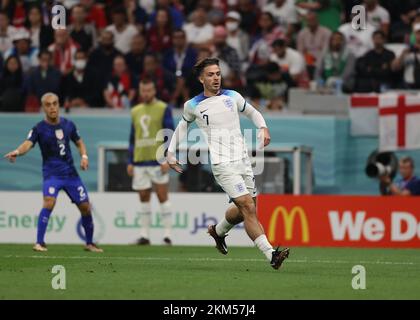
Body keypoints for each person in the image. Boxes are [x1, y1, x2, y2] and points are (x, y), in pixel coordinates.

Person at [166, 58, 290, 270]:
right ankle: (271, 254)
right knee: (247, 206)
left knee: (245, 210)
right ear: (201, 79)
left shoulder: (233, 96)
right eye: (211, 75)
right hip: (222, 164)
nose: (216, 78)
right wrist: (170, 151)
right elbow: (182, 127)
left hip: (242, 160)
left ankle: (218, 231)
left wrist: (263, 127)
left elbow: (252, 112)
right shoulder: (193, 104)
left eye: (218, 73)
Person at [3, 92, 103, 252]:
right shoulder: (39, 128)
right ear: (43, 108)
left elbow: (79, 142)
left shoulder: (68, 125)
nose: (52, 107)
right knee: (49, 202)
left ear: (59, 105)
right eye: (48, 105)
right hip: (52, 174)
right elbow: (28, 144)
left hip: (71, 174)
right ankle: (39, 242)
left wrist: (84, 156)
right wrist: (17, 151)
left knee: (85, 207)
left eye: (55, 103)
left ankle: (89, 243)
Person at [127, 79, 174, 245]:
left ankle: (167, 236)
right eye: (143, 90)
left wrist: (167, 157)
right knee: (143, 197)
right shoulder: (135, 111)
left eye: (148, 90)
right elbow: (133, 138)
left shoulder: (163, 108)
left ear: (154, 90)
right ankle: (144, 235)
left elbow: (169, 134)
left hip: (157, 160)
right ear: (140, 91)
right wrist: (130, 161)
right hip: (140, 160)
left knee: (162, 195)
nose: (146, 93)